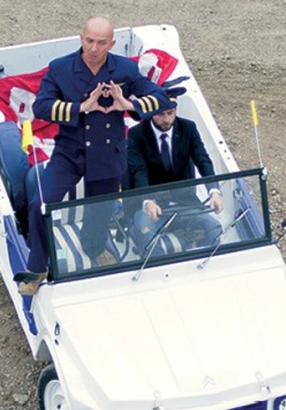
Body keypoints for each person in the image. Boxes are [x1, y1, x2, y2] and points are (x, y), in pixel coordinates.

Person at [18, 16, 172, 295]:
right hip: (70, 150)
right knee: (41, 203)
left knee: (99, 209)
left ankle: (93, 245)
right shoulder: (61, 68)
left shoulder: (124, 69)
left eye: (101, 43)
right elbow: (41, 107)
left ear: (111, 44)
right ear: (81, 38)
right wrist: (81, 107)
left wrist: (127, 104)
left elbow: (160, 98)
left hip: (108, 150)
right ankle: (37, 266)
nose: (93, 48)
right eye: (89, 40)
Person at [127, 86, 225, 255]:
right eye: (160, 114)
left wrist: (214, 191)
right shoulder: (137, 134)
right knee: (146, 236)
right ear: (150, 113)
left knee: (214, 228)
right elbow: (138, 171)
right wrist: (148, 200)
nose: (166, 119)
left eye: (170, 113)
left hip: (184, 202)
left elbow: (202, 160)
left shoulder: (188, 128)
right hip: (151, 203)